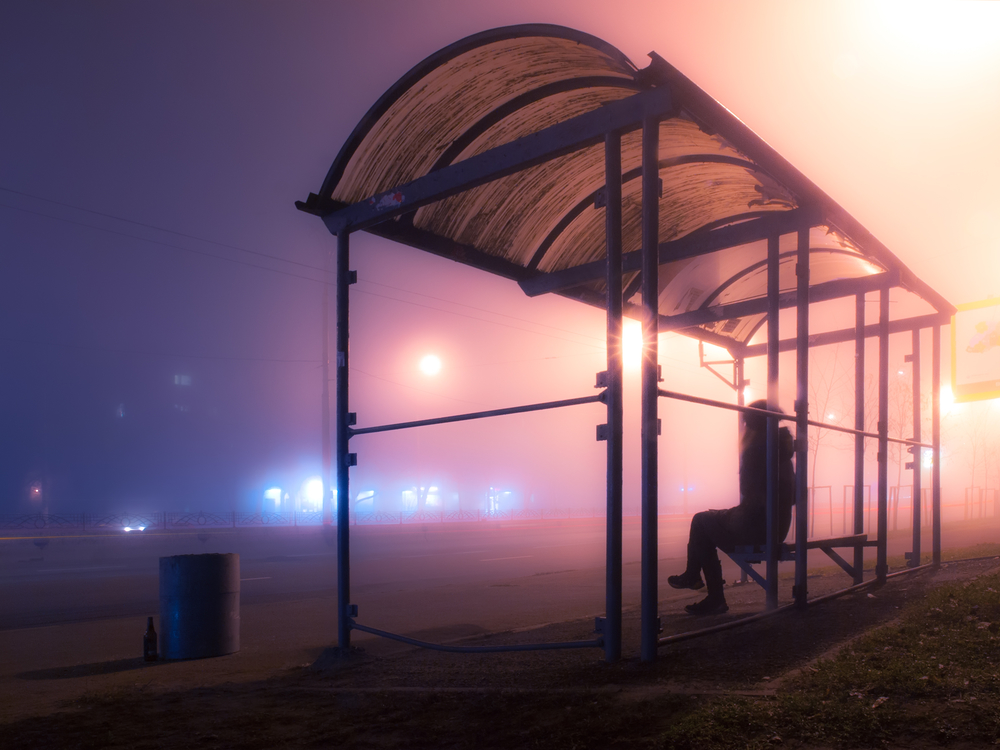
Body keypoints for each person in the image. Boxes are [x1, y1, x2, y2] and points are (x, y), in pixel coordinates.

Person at [667, 399, 796, 615]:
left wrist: (731, 514)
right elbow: (792, 496)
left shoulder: (757, 450)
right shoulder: (784, 451)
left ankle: (706, 588)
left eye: (746, 423)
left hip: (757, 526)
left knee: (701, 521)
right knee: (708, 522)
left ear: (753, 424)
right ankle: (696, 579)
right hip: (777, 527)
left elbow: (750, 493)